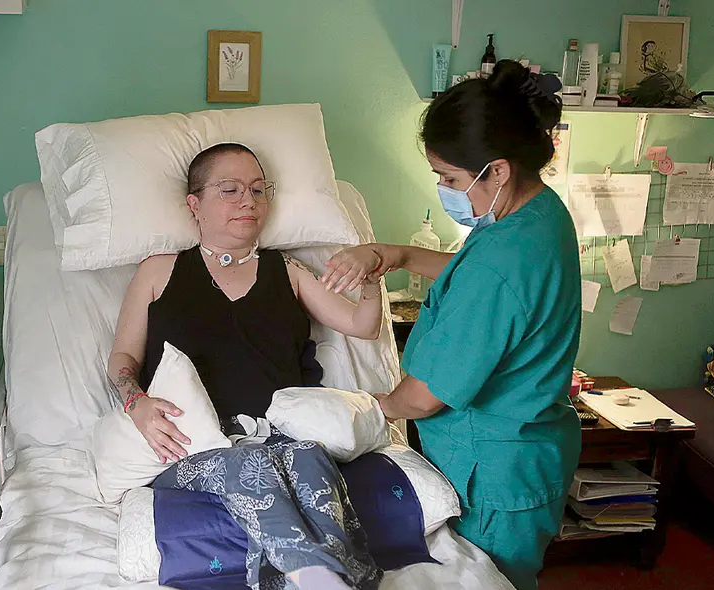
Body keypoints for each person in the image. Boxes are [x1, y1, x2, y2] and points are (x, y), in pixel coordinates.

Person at [323, 60, 582, 590]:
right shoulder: (537, 214)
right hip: (530, 452)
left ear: (499, 170)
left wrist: (362, 412)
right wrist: (397, 255)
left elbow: (423, 398)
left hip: (493, 475)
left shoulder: (501, 260)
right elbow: (488, 286)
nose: (444, 187)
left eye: (450, 179)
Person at [108, 142, 385, 589]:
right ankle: (324, 582)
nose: (248, 201)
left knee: (310, 457)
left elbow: (361, 324)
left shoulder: (288, 271)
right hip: (197, 445)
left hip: (282, 435)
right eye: (230, 189)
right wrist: (136, 402)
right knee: (246, 469)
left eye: (259, 189)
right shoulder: (158, 272)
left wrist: (370, 282)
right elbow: (122, 359)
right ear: (194, 204)